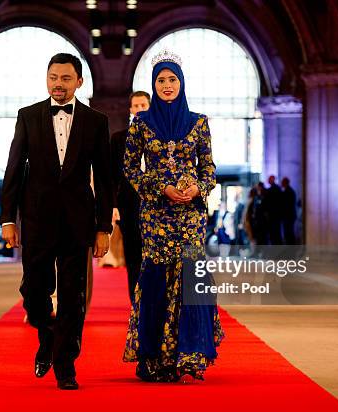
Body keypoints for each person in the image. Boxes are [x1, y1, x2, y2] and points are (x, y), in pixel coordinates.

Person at [0, 53, 113, 390]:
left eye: (65, 78)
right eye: (53, 77)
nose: (58, 84)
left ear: (79, 81)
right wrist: (8, 219)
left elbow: (106, 179)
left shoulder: (96, 121)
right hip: (36, 218)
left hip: (78, 221)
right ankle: (46, 335)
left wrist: (103, 227)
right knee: (33, 291)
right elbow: (14, 168)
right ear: (46, 79)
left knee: (73, 295)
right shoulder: (29, 116)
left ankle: (66, 364)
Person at [122, 50, 224, 383]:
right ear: (153, 85)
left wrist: (198, 188)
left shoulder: (198, 122)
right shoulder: (141, 124)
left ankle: (189, 354)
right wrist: (160, 188)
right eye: (161, 80)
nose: (167, 86)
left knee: (191, 279)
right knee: (156, 279)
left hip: (190, 215)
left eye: (172, 80)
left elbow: (209, 167)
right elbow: (129, 169)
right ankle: (155, 356)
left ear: (182, 83)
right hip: (155, 215)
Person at [110, 91, 151, 302]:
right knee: (133, 257)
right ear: (130, 110)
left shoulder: (161, 137)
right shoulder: (118, 139)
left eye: (143, 105)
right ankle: (135, 302)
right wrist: (113, 206)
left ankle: (155, 302)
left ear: (150, 107)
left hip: (157, 207)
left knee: (154, 258)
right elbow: (112, 175)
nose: (139, 109)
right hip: (128, 205)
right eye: (136, 106)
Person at [280, 177, 297, 245]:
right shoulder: (289, 191)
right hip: (289, 215)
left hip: (288, 216)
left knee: (289, 233)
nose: (281, 184)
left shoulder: (288, 192)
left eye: (282, 182)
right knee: (289, 232)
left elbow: (286, 204)